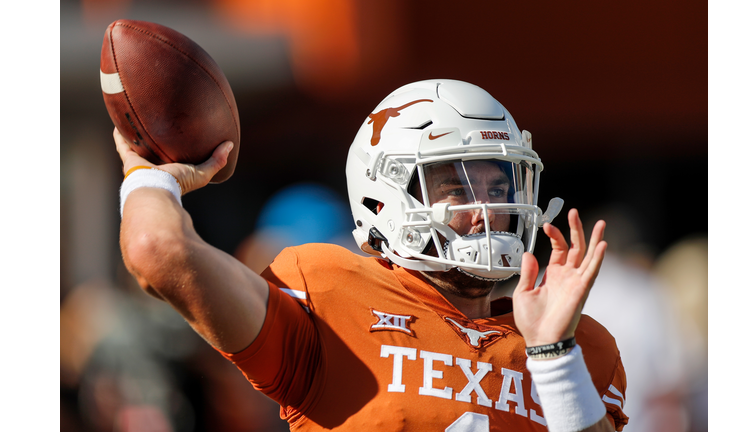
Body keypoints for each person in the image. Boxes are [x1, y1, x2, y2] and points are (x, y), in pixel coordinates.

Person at [116, 79, 628, 432]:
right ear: (383, 198)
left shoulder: (581, 347)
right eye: (456, 186)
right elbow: (158, 251)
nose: (488, 210)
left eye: (500, 187)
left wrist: (554, 357)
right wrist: (152, 178)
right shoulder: (329, 296)